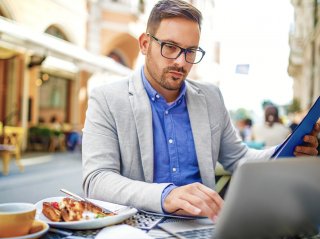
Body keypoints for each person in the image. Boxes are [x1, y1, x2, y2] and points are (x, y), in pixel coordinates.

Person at [82, 0, 320, 222]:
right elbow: (97, 180)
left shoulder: (210, 97)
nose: (181, 62)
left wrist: (287, 150)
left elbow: (239, 158)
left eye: (190, 51)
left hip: (202, 226)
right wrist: (165, 195)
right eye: (170, 47)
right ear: (145, 44)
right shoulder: (107, 98)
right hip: (136, 227)